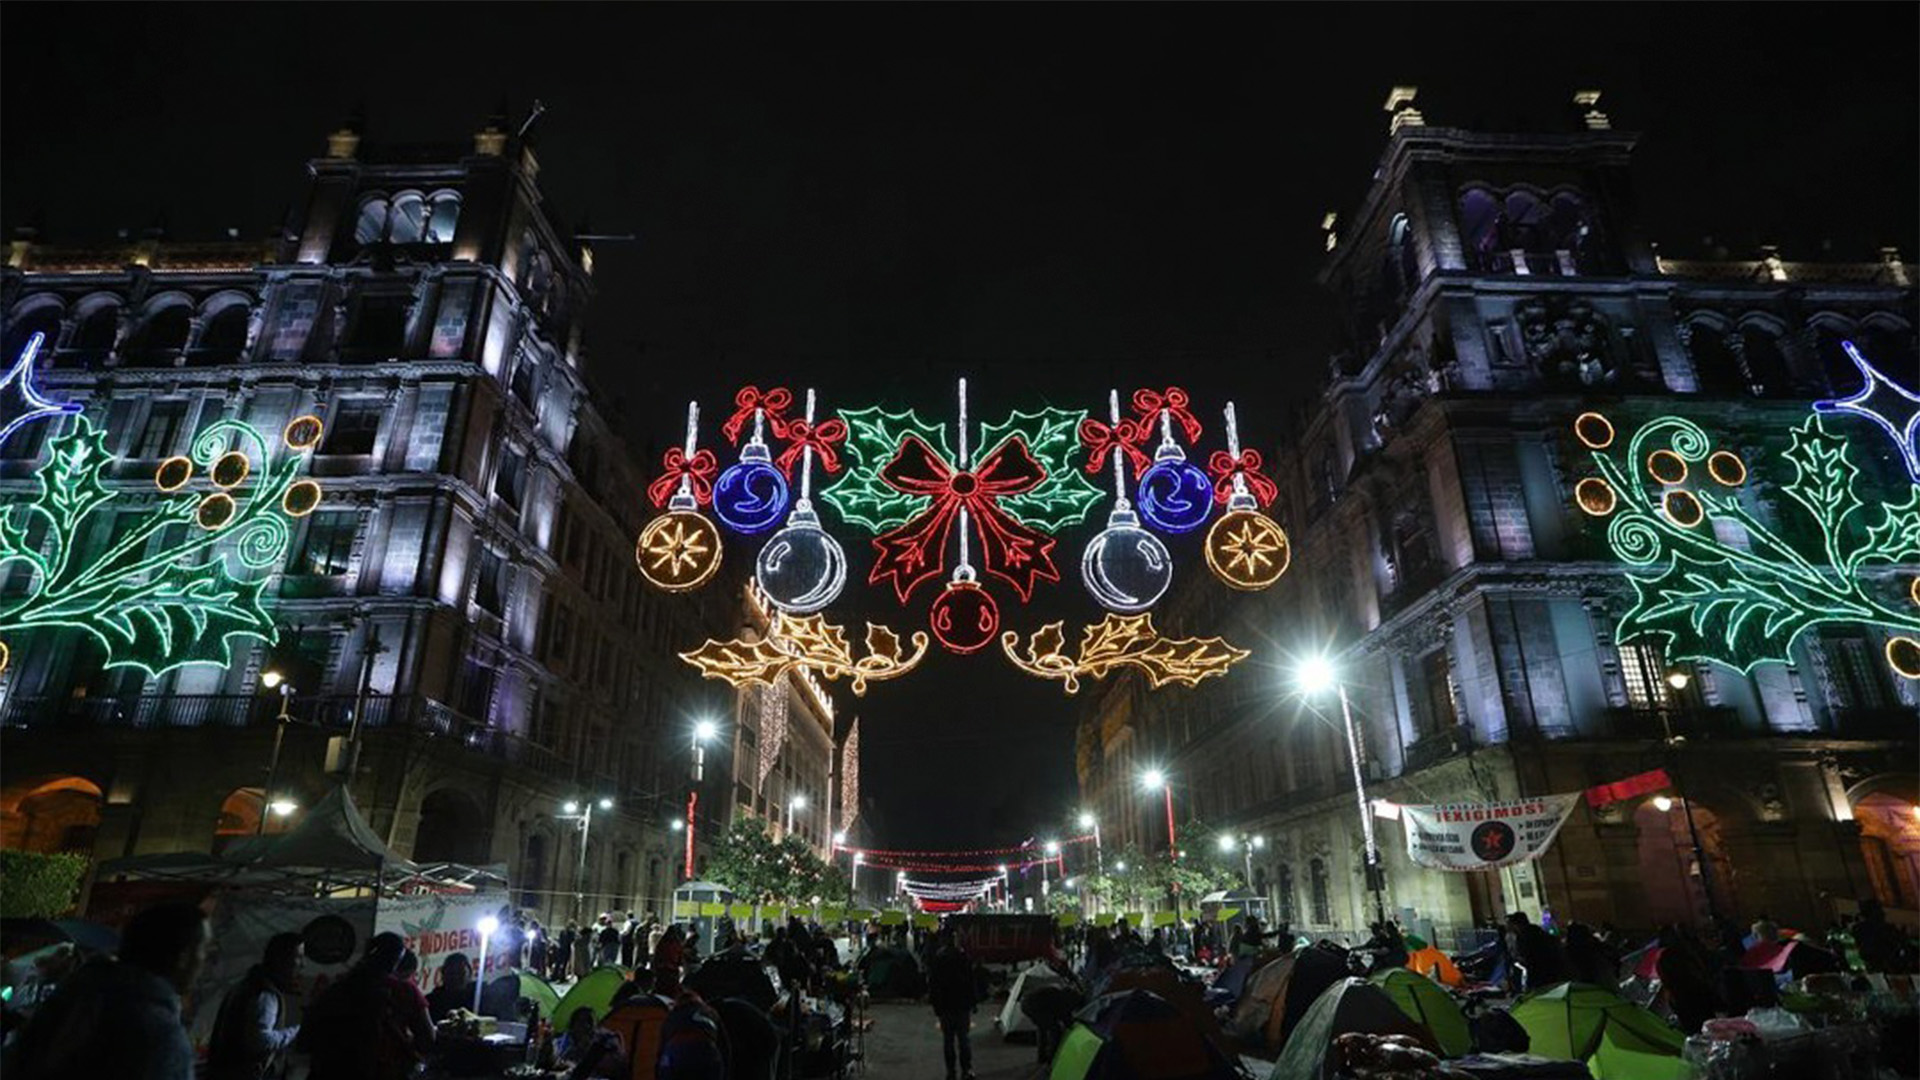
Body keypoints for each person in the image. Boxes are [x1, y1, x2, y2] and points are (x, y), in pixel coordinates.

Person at [6, 901, 209, 1080]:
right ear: (183, 957)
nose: (205, 959)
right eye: (203, 948)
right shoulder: (161, 1038)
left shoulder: (74, 999)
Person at [298, 931, 435, 1080]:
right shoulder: (405, 991)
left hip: (330, 1071)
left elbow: (306, 1039)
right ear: (397, 960)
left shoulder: (337, 987)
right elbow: (427, 1040)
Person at [206, 931, 304, 1080]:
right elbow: (261, 1041)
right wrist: (296, 1032)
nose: (302, 965)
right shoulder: (265, 994)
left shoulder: (246, 986)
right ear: (280, 959)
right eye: (298, 957)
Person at [926, 929, 977, 1080]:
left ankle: (951, 1071)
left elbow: (933, 984)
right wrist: (973, 1002)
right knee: (963, 1039)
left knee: (948, 1040)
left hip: (945, 1005)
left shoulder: (938, 959)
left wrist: (936, 1005)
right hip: (961, 1004)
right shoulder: (962, 957)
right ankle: (966, 1070)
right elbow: (970, 981)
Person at [1654, 925, 1721, 1035]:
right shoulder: (1682, 952)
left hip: (1679, 997)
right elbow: (1696, 971)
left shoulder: (1662, 957)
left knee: (1693, 1028)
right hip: (1694, 994)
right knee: (1707, 1025)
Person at [1505, 911, 1569, 990]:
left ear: (1517, 924)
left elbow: (1525, 952)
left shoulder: (1526, 935)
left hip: (1538, 967)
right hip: (1545, 966)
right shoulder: (1536, 931)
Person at [424, 952, 474, 1022]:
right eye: (452, 973)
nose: (456, 977)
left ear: (470, 972)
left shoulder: (479, 996)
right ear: (443, 973)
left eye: (461, 972)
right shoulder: (431, 1002)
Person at [653, 924, 688, 996]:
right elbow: (680, 958)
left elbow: (657, 956)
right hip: (672, 970)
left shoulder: (662, 943)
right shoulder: (676, 943)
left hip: (662, 970)